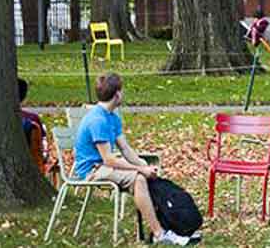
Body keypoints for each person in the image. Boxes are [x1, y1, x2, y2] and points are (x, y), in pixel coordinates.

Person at [73, 73, 191, 245]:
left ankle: (169, 226)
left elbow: (125, 149)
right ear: (118, 94)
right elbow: (109, 160)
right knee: (138, 179)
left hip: (104, 165)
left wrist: (143, 164)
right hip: (93, 170)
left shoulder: (112, 117)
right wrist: (140, 170)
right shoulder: (98, 120)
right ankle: (159, 234)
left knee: (145, 174)